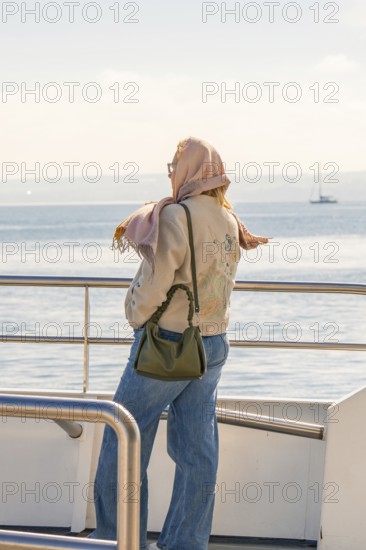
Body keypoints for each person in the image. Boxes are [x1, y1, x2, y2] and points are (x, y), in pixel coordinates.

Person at [89, 137, 269, 549]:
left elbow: (155, 284)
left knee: (124, 437)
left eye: (174, 166)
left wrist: (135, 315)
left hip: (168, 344)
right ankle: (185, 543)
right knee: (197, 452)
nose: (171, 174)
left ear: (189, 170)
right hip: (214, 344)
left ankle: (119, 539)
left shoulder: (175, 217)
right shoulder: (228, 219)